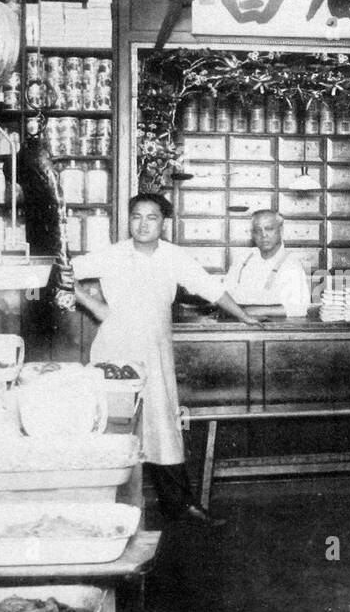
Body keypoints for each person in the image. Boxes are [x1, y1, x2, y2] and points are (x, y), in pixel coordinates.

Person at [70, 193, 262, 526]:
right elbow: (62, 272)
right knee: (112, 427)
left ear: (164, 223)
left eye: (152, 217)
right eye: (136, 217)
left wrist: (243, 315)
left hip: (155, 353)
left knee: (163, 428)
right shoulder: (112, 255)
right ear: (129, 220)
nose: (143, 224)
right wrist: (96, 307)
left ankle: (180, 507)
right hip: (114, 351)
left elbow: (209, 287)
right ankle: (105, 510)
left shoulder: (174, 257)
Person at [223, 210, 310, 317]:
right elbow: (224, 293)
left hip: (274, 324)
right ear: (253, 234)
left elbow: (299, 309)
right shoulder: (243, 258)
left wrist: (256, 311)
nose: (263, 235)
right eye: (258, 230)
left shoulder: (291, 264)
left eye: (269, 229)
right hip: (238, 320)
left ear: (281, 231)